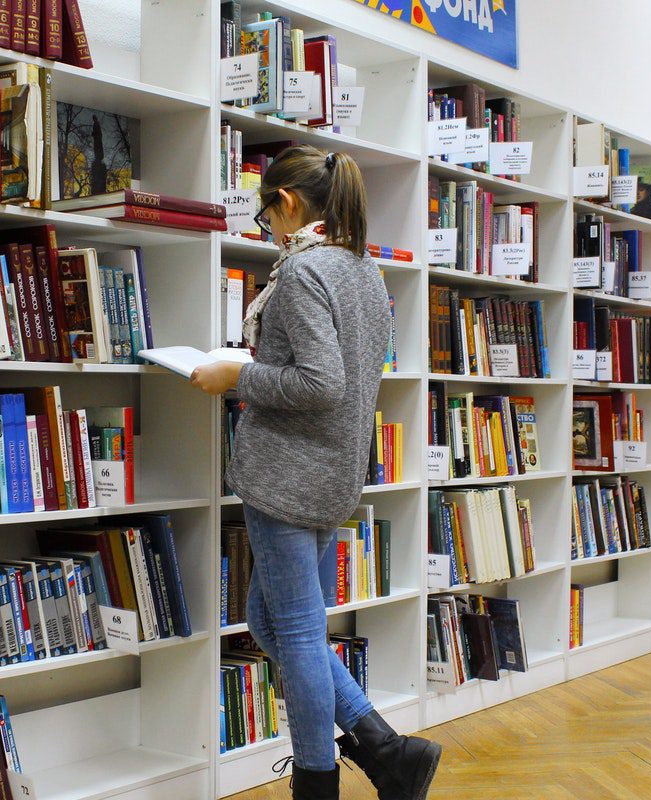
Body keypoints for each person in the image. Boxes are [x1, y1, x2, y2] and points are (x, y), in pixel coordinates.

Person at [191, 145, 442, 800]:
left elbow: (321, 382)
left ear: (291, 204)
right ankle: (386, 751)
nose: (263, 227)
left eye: (265, 211)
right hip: (332, 473)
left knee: (296, 632)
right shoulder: (360, 268)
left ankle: (320, 781)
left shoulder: (304, 273)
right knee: (273, 623)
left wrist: (234, 374)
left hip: (286, 474)